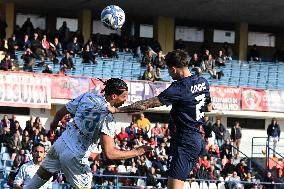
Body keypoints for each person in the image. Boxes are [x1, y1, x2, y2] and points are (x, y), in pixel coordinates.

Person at [24, 78, 152, 189]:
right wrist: (137, 152)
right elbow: (109, 153)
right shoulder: (108, 118)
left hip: (60, 144)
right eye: (124, 96)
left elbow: (59, 113)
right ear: (114, 96)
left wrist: (52, 126)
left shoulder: (87, 97)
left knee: (35, 182)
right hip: (75, 155)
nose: (126, 100)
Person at [114, 49, 212, 189]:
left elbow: (145, 105)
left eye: (168, 70)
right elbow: (209, 107)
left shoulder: (179, 87)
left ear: (174, 69)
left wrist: (118, 110)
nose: (169, 73)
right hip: (197, 139)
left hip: (184, 141)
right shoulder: (203, 82)